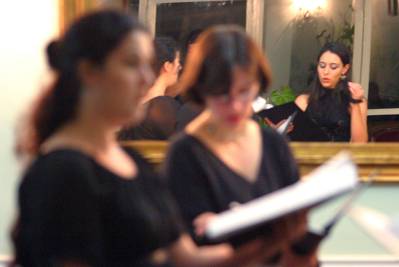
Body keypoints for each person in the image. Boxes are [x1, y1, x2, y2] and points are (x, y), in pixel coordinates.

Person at [12, 10, 289, 267]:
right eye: (133, 64)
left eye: (148, 65)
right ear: (89, 72)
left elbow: (188, 258)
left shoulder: (133, 162)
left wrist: (271, 235)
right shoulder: (60, 172)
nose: (147, 78)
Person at [164, 25, 318, 267]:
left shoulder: (274, 145)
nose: (236, 106)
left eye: (245, 91)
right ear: (202, 90)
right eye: (222, 94)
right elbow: (183, 256)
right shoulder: (185, 153)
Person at [294, 42, 368, 142]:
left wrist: (354, 103)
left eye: (333, 67)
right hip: (311, 156)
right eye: (322, 66)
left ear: (344, 69)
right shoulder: (303, 100)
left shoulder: (357, 101)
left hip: (342, 156)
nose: (326, 72)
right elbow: (293, 141)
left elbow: (360, 144)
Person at [118, 36, 181, 140]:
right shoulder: (165, 107)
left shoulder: (130, 106)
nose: (180, 68)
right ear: (167, 66)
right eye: (177, 64)